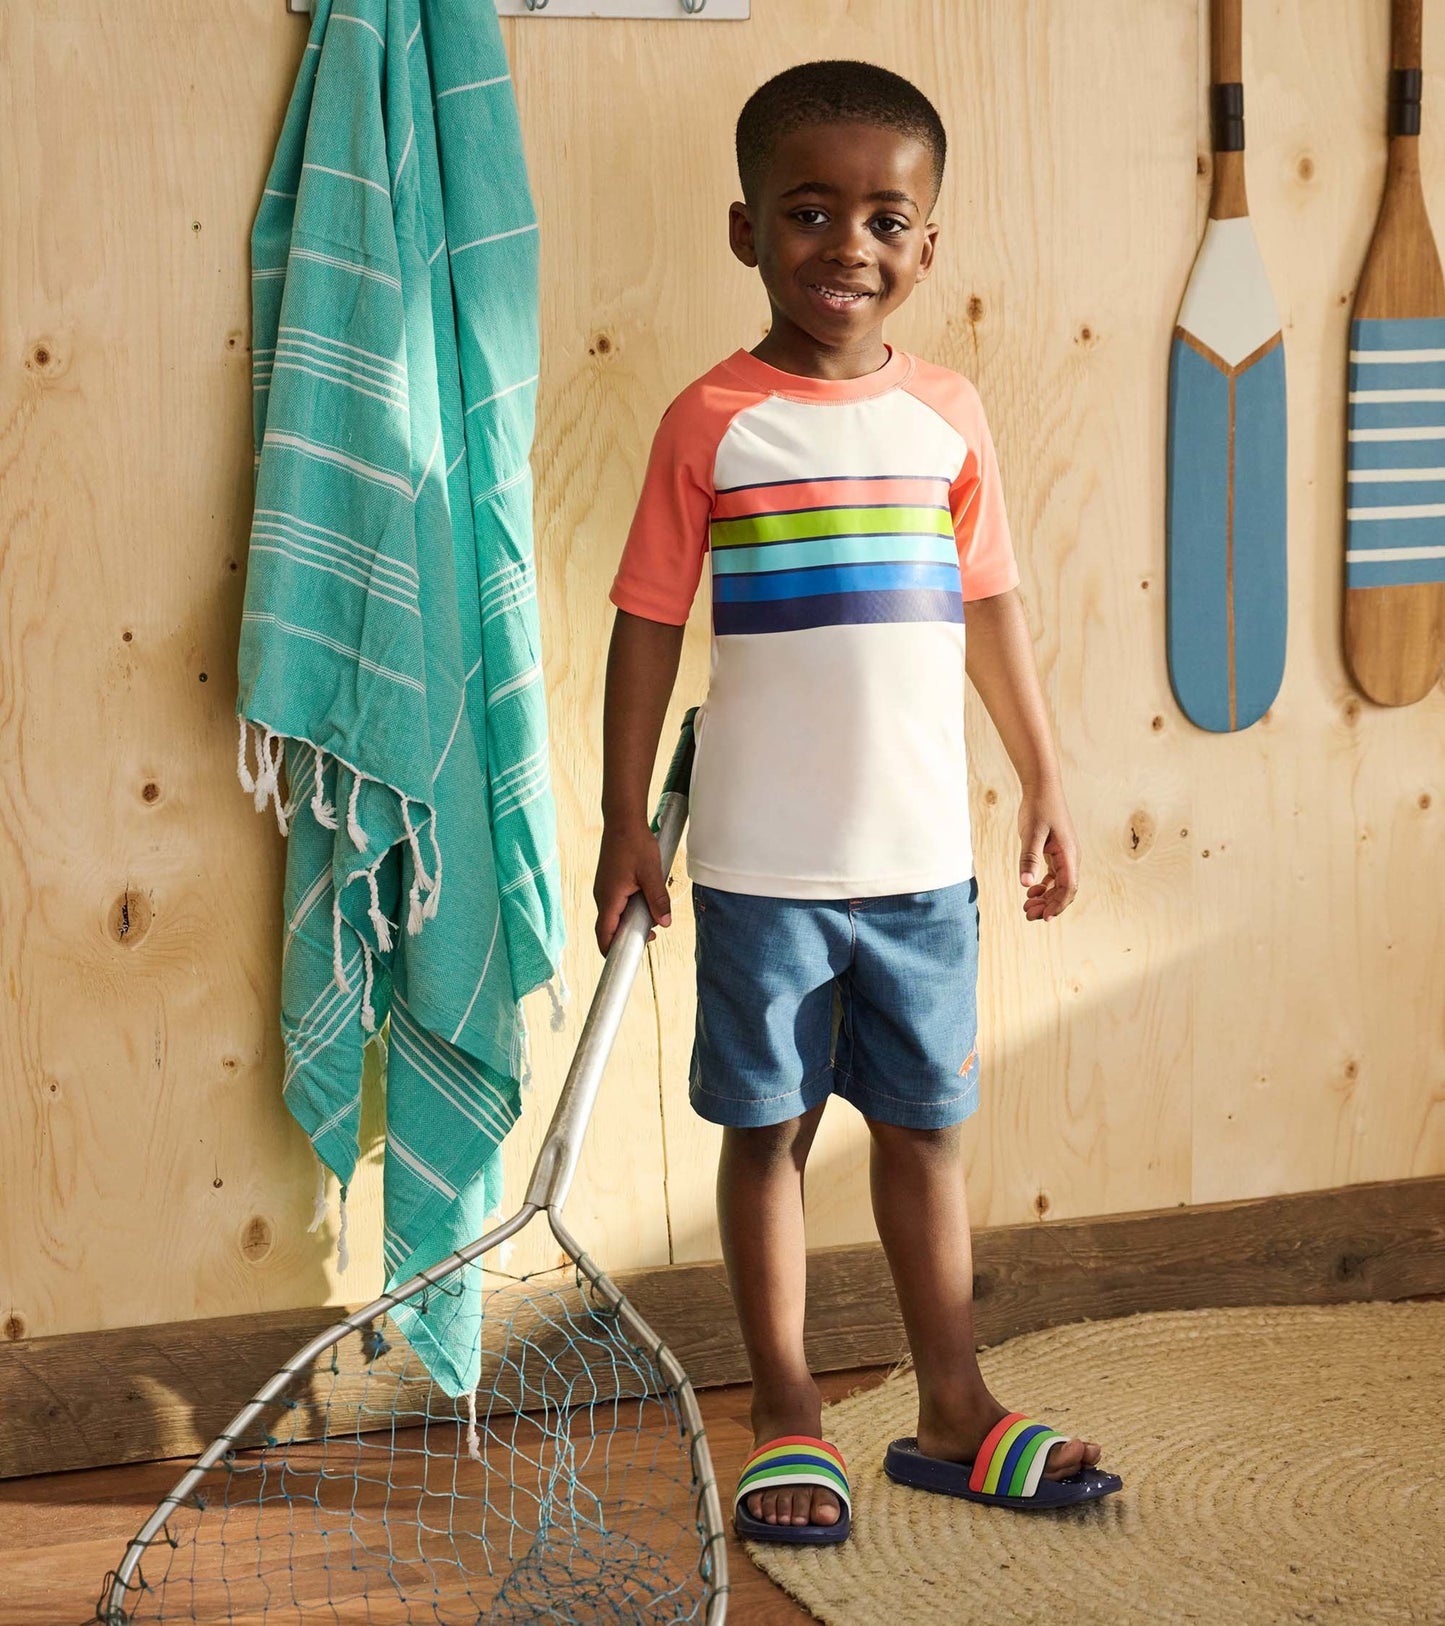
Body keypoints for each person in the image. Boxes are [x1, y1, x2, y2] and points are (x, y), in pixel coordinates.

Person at [593, 59, 1121, 1545]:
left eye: (884, 217)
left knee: (920, 1128)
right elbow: (643, 623)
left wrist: (1044, 780)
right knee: (765, 1128)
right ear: (744, 227)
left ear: (926, 244)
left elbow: (995, 603)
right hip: (760, 868)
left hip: (919, 867)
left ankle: (953, 1406)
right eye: (808, 213)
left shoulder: (949, 418)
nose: (848, 247)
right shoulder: (711, 420)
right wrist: (626, 818)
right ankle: (783, 1412)